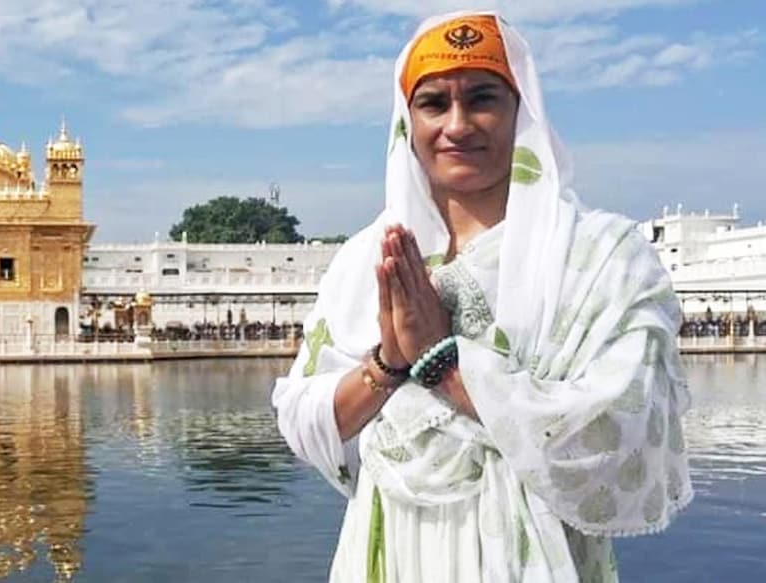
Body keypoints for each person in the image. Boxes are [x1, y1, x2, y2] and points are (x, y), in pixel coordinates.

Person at [272, 11, 692, 582]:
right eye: (434, 103)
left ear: (523, 112)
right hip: (394, 547)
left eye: (482, 97)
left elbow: (625, 430)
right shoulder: (367, 259)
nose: (459, 124)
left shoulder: (598, 257)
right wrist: (390, 365)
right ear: (406, 122)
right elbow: (306, 421)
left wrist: (445, 365)